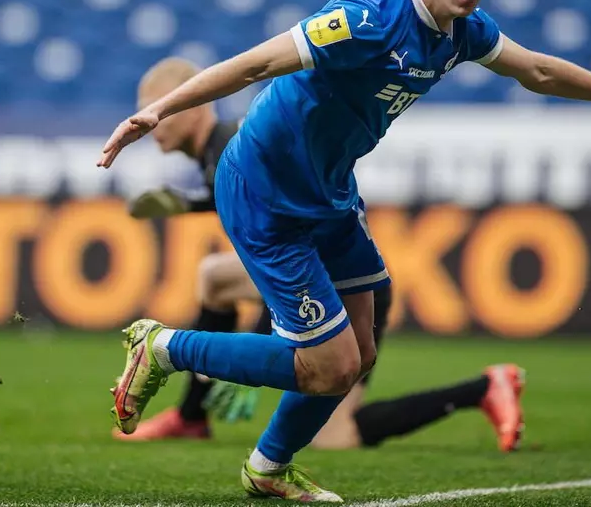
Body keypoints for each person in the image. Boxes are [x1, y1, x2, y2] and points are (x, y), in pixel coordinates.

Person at [99, 0, 591, 502]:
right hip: (265, 190)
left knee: (359, 354)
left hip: (330, 192)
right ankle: (164, 348)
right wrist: (160, 110)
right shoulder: (368, 17)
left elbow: (539, 71)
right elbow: (258, 63)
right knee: (329, 365)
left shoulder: (464, 32)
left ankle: (268, 467)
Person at [116, 57, 525, 452]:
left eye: (158, 108)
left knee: (336, 434)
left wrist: (252, 356)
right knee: (215, 278)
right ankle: (191, 418)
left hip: (342, 282)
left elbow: (282, 249)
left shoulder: (228, 147)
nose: (152, 121)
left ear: (194, 104)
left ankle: (483, 389)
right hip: (327, 271)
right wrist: (188, 204)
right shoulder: (222, 148)